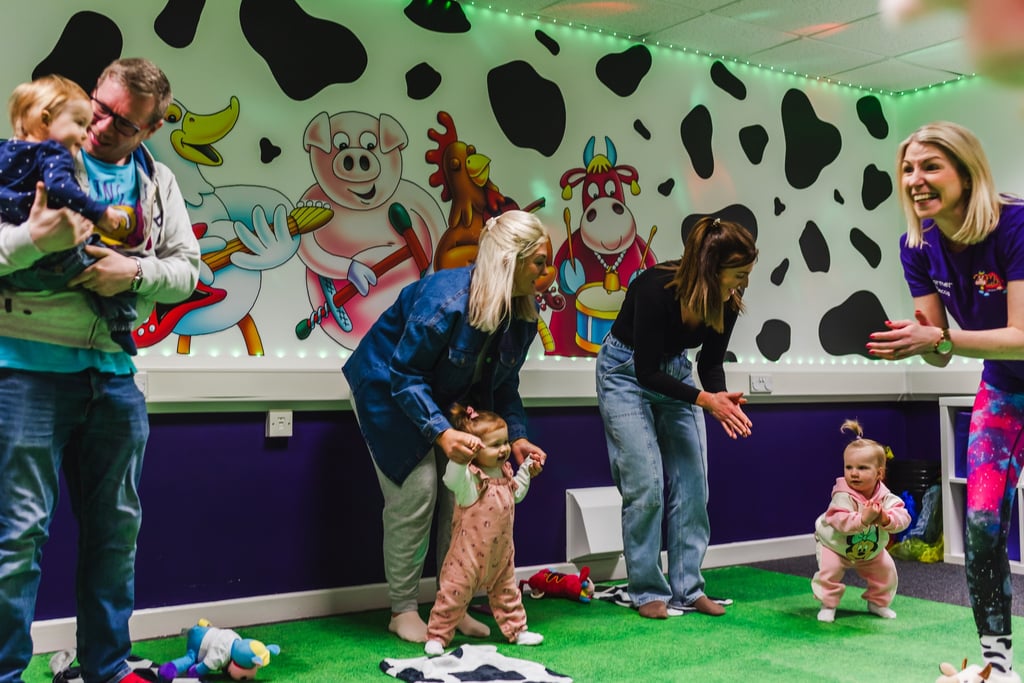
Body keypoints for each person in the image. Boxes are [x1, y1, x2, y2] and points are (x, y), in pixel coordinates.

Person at [0, 57, 200, 683]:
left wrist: (133, 273)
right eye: (101, 107)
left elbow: (189, 272)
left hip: (114, 375)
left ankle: (106, 671)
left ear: (152, 128)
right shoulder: (34, 151)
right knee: (17, 541)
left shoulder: (157, 180)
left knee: (115, 538)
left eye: (124, 122)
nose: (103, 126)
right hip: (25, 369)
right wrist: (35, 239)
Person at [342, 209, 550, 643]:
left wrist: (519, 437)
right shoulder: (446, 298)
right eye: (541, 262)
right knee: (417, 492)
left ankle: (449, 605)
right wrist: (441, 432)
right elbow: (404, 375)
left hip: (443, 400)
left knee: (461, 498)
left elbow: (504, 383)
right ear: (511, 260)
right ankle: (401, 610)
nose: (549, 273)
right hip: (388, 388)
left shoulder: (522, 314)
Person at [867, 121, 1024, 682]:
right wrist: (913, 342)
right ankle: (998, 666)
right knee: (982, 522)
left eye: (930, 166)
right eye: (908, 169)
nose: (915, 180)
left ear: (966, 170)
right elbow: (937, 347)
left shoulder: (1016, 223)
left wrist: (940, 339)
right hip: (1003, 389)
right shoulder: (919, 246)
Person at [595, 215, 757, 620]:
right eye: (737, 274)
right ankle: (647, 589)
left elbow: (711, 362)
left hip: (678, 377)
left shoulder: (727, 301)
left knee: (693, 484)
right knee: (646, 484)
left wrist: (719, 396)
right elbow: (645, 370)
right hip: (624, 374)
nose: (743, 283)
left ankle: (688, 588)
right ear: (710, 267)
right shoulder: (653, 288)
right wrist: (706, 400)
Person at [0, 74, 143, 355]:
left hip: (17, 269)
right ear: (45, 120)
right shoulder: (54, 152)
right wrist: (100, 213)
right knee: (108, 258)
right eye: (79, 123)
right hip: (59, 257)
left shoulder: (3, 150)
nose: (83, 134)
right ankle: (120, 323)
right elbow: (62, 188)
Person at [424, 403, 544, 656]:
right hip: (465, 558)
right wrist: (459, 460)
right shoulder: (471, 480)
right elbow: (451, 480)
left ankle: (517, 630)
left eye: (504, 442)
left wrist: (526, 471)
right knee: (451, 597)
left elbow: (517, 493)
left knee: (508, 594)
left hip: (500, 556)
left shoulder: (505, 474)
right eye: (495, 444)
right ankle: (438, 636)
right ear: (475, 450)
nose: (503, 449)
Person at [812, 419, 911, 623]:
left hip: (870, 550)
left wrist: (885, 518)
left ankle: (877, 602)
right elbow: (838, 519)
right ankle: (828, 604)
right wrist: (862, 519)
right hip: (835, 546)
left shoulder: (885, 497)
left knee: (886, 571)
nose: (854, 473)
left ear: (879, 474)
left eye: (862, 468)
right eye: (849, 467)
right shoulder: (842, 496)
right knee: (829, 572)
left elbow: (903, 517)